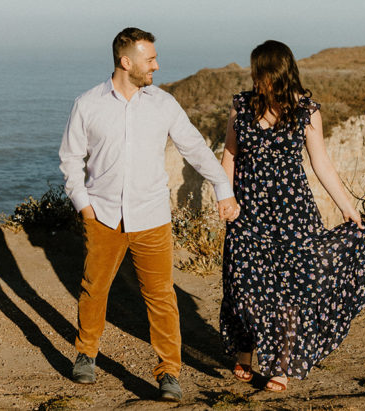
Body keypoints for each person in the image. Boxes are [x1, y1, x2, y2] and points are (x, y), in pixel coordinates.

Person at [59, 27, 240, 402]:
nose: (156, 65)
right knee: (94, 289)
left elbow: (196, 149)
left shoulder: (163, 104)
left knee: (161, 296)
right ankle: (86, 354)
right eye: (150, 59)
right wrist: (84, 205)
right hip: (103, 215)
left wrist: (223, 188)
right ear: (126, 62)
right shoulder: (88, 104)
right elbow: (71, 159)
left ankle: (168, 373)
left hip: (152, 217)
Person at [219, 40, 365, 392]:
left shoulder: (306, 110)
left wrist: (347, 207)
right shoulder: (240, 107)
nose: (256, 79)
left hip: (293, 215)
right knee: (243, 285)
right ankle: (245, 351)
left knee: (290, 292)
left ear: (277, 72)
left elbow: (321, 164)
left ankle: (281, 365)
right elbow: (229, 156)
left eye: (261, 72)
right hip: (248, 214)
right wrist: (225, 197)